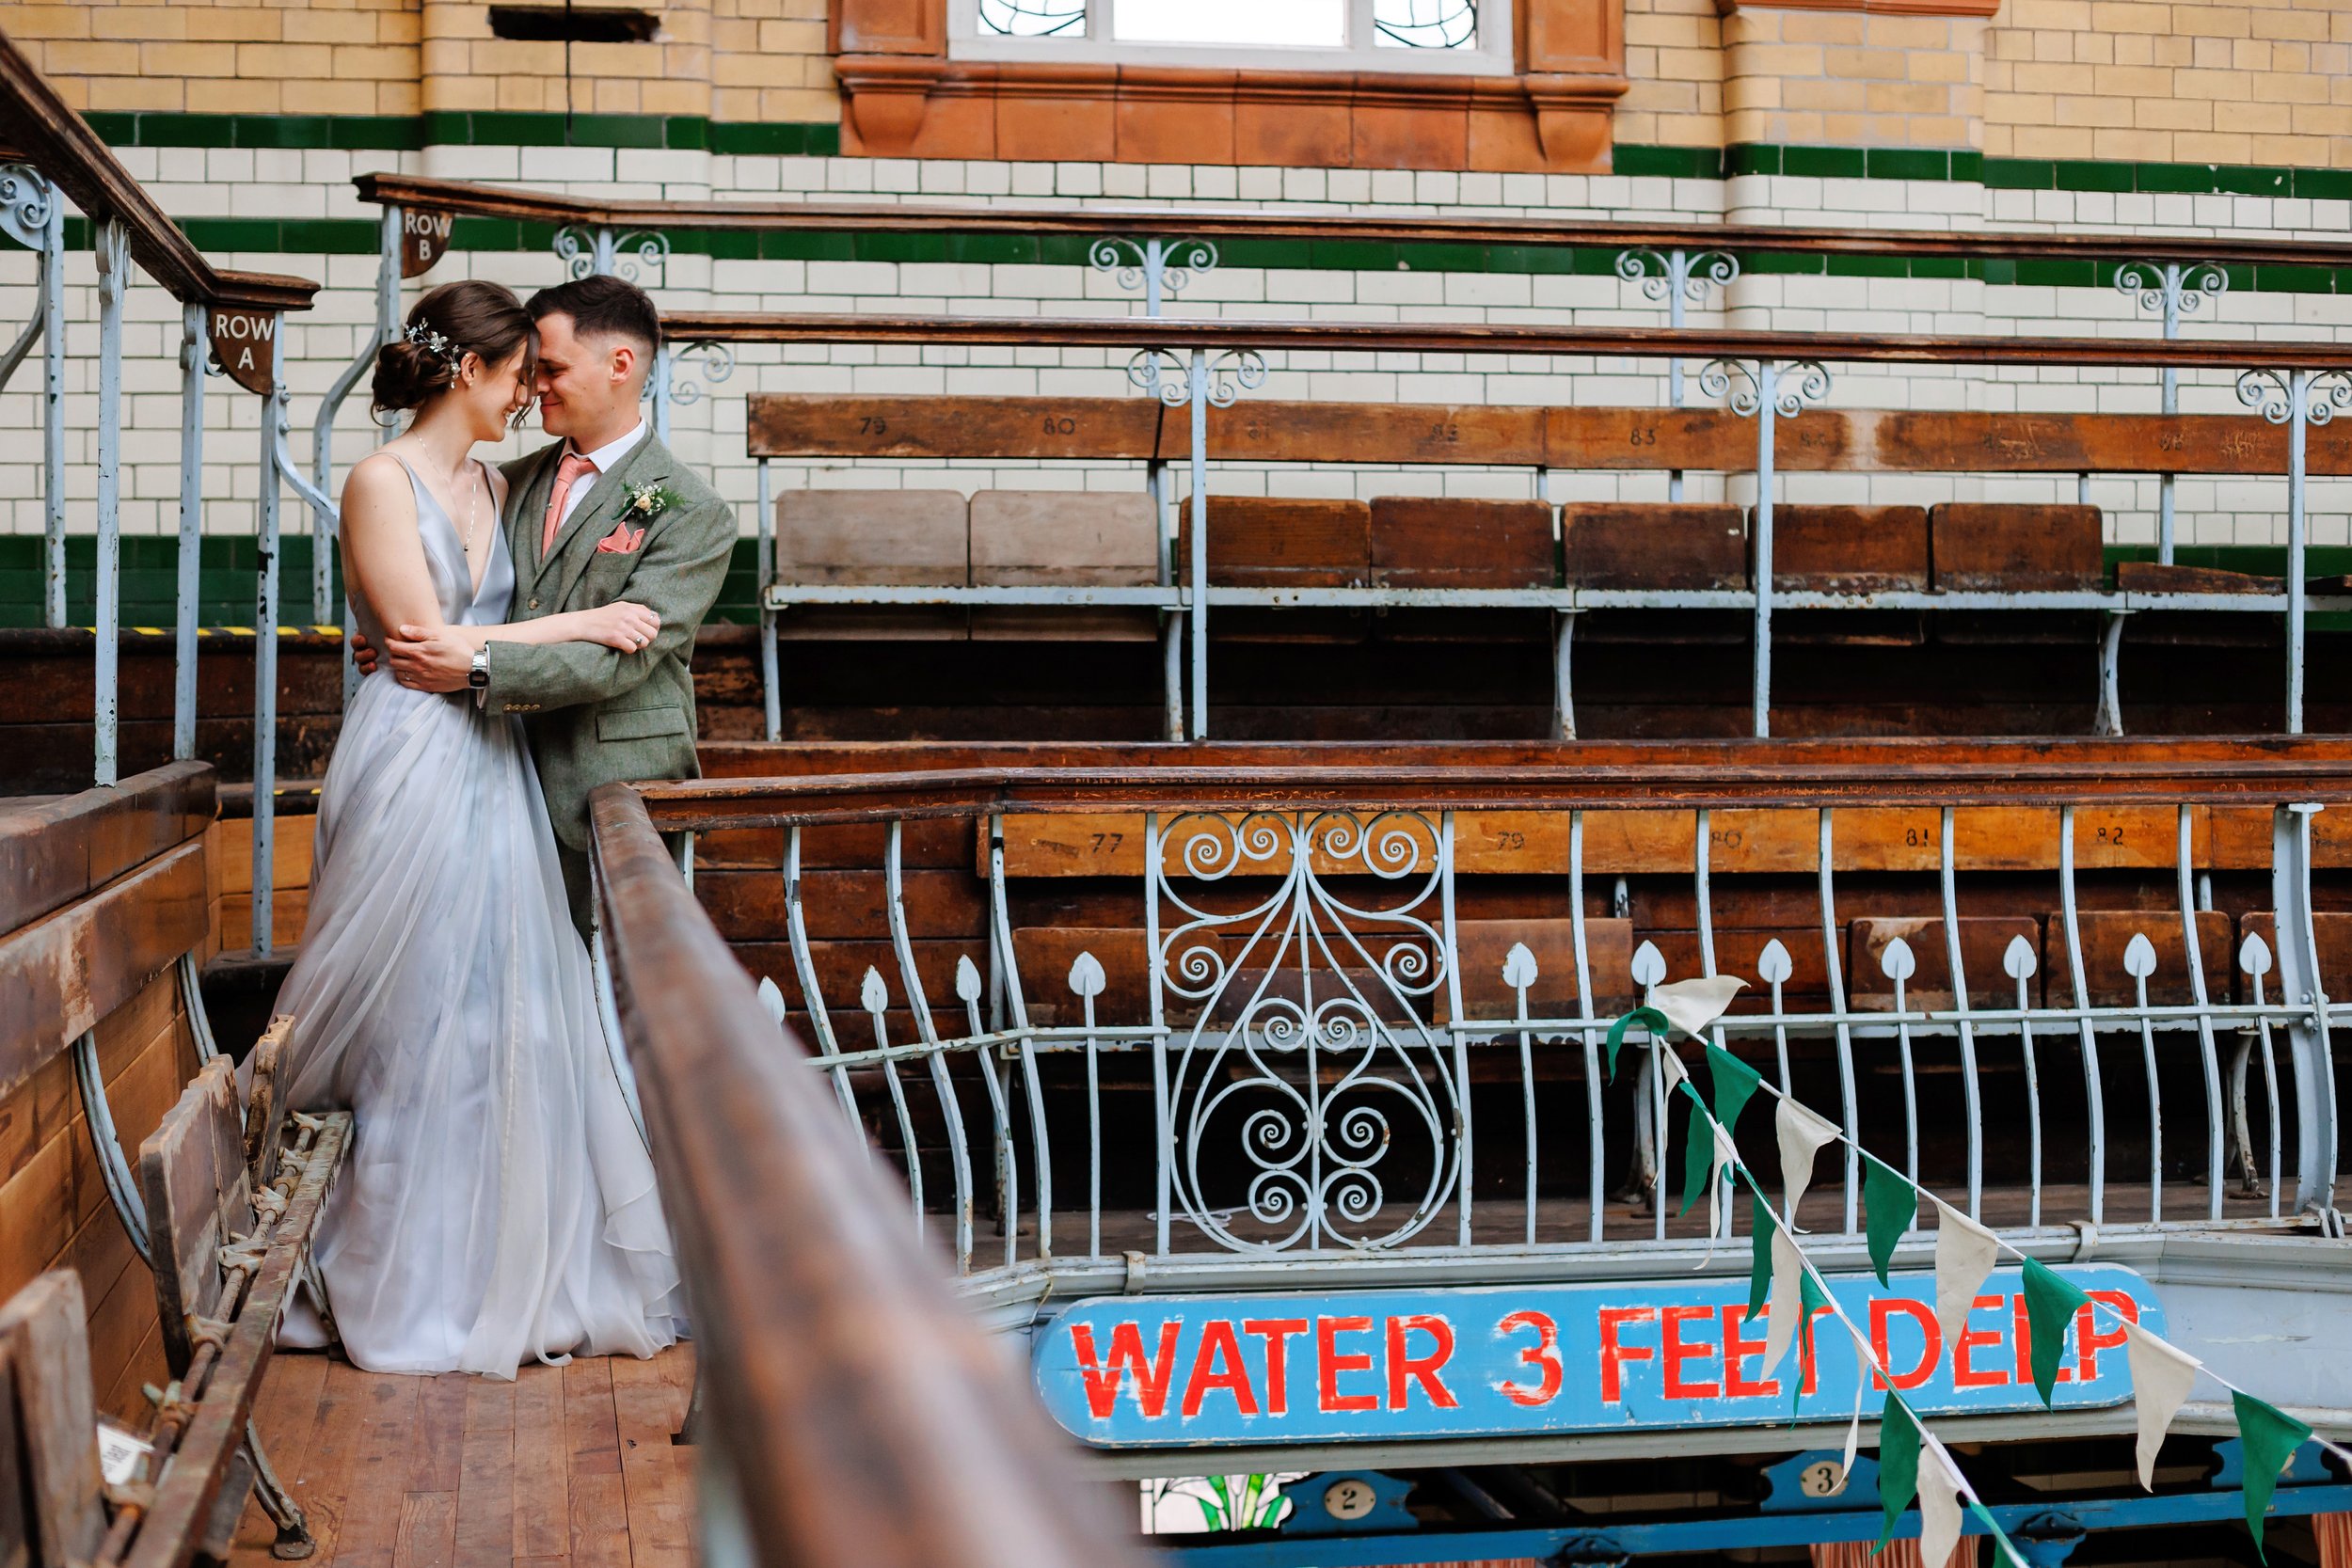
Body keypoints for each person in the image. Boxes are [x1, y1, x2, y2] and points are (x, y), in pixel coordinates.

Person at [272, 279, 688, 1377]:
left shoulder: (497, 484)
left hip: (495, 757)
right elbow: (417, 638)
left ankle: (503, 1267)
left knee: (505, 1022)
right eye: (520, 375)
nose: (530, 394)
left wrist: (497, 642)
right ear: (471, 372)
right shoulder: (378, 479)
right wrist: (590, 617)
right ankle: (392, 1277)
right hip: (414, 755)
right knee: (410, 1022)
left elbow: (473, 638)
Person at [355, 273, 734, 937]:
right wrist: (395, 639)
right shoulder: (506, 479)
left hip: (606, 788)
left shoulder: (688, 509)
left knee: (615, 994)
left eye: (549, 368)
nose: (533, 390)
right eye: (526, 372)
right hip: (482, 775)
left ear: (620, 365)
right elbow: (448, 595)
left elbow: (621, 658)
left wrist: (472, 663)